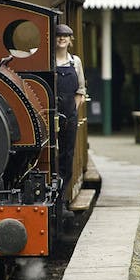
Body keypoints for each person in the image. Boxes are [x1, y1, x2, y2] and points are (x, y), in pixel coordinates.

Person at [55, 23, 86, 211]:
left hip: (69, 114)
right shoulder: (48, 61)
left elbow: (80, 89)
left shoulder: (76, 62)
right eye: (59, 36)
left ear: (70, 40)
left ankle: (63, 197)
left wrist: (72, 111)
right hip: (51, 115)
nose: (62, 39)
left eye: (65, 36)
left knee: (67, 155)